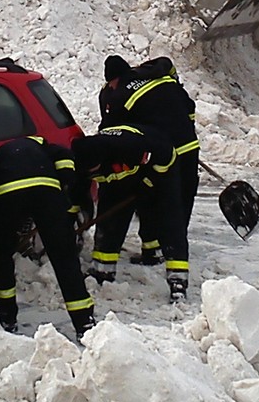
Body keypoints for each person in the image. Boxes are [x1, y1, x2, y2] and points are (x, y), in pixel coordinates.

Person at [0, 135, 97, 339]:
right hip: (46, 190)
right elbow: (66, 158)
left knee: (2, 260)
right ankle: (84, 322)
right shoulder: (45, 147)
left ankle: (7, 317)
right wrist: (64, 189)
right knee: (64, 256)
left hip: (6, 193)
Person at [72, 122, 190, 303]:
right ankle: (103, 270)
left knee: (169, 220)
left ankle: (178, 281)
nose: (90, 173)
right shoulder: (81, 160)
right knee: (110, 219)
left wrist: (149, 182)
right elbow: (79, 193)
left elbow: (165, 157)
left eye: (93, 170)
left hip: (161, 167)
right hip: (121, 178)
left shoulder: (129, 147)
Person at [109, 56, 200, 237]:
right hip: (189, 145)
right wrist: (185, 131)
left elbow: (117, 128)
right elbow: (189, 105)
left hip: (166, 150)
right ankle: (177, 239)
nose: (110, 87)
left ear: (115, 79)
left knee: (160, 195)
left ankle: (160, 244)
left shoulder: (122, 95)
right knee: (184, 194)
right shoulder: (159, 77)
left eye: (110, 83)